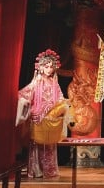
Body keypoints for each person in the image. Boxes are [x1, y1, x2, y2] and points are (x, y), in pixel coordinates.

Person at [16, 49, 68, 179]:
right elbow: (24, 93)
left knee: (50, 145)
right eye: (46, 66)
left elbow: (60, 97)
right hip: (38, 116)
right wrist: (27, 104)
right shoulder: (37, 81)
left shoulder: (54, 82)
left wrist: (61, 106)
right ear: (41, 67)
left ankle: (49, 170)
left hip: (51, 117)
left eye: (51, 67)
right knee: (36, 145)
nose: (49, 69)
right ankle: (36, 170)